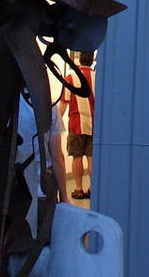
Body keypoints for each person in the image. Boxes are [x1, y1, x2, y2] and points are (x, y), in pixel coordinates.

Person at [16, 91, 69, 235]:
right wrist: (64, 197)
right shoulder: (49, 106)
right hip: (41, 191)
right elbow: (57, 157)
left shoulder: (5, 103)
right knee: (42, 244)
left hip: (12, 190)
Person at [60, 51, 95, 200]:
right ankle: (92, 188)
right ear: (92, 59)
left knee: (76, 156)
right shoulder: (98, 77)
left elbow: (63, 103)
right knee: (91, 157)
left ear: (80, 59)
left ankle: (79, 189)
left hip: (76, 124)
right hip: (94, 124)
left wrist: (55, 122)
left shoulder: (71, 77)